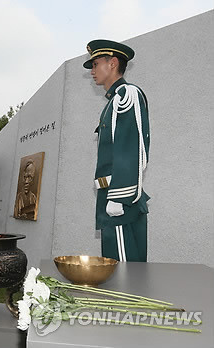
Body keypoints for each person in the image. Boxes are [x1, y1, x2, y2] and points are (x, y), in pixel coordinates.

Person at [84, 39, 150, 262]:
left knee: (124, 271)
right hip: (111, 195)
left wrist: (119, 197)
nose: (92, 71)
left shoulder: (126, 95)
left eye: (95, 64)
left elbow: (131, 147)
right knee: (117, 265)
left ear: (112, 63)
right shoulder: (113, 101)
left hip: (120, 198)